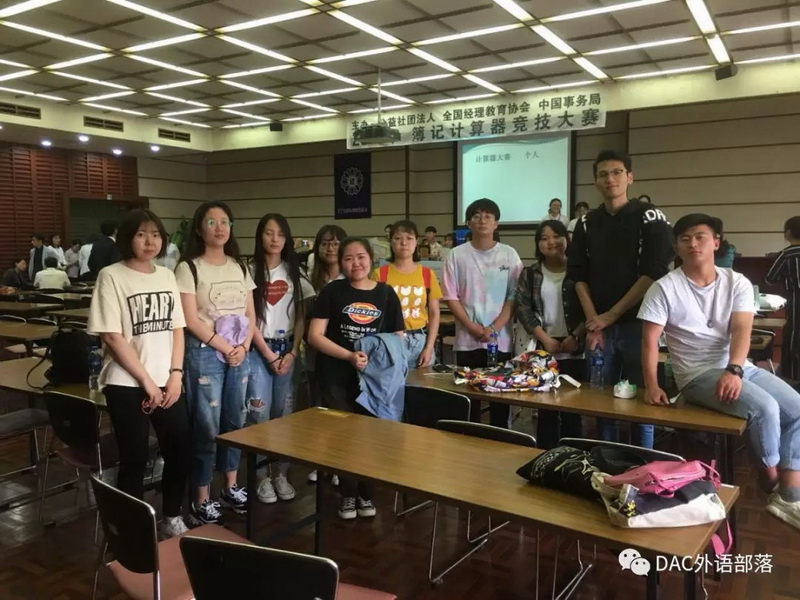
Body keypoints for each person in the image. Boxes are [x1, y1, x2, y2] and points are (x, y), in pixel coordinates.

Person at [639, 213, 800, 532]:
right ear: (677, 247)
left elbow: (742, 329)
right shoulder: (664, 288)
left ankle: (790, 492)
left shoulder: (736, 282)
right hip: (696, 376)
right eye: (685, 239)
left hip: (739, 367)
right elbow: (649, 341)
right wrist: (652, 385)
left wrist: (735, 369)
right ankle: (770, 486)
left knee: (797, 409)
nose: (693, 244)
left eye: (700, 236)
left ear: (716, 242)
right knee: (764, 409)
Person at [88, 208, 191, 539]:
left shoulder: (167, 276)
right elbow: (112, 336)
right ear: (127, 238)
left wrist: (175, 375)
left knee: (179, 450)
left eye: (156, 234)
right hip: (126, 382)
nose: (150, 241)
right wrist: (147, 382)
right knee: (135, 457)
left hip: (168, 382)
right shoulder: (111, 276)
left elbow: (177, 329)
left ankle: (171, 516)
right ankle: (132, 531)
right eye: (141, 234)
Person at [567, 149, 673, 448]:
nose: (610, 179)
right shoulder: (585, 223)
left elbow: (653, 271)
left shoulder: (650, 216)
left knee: (643, 399)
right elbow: (577, 275)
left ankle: (644, 461)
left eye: (616, 172)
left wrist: (610, 315)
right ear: (596, 181)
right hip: (600, 328)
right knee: (603, 401)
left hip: (641, 325)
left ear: (630, 177)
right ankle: (607, 458)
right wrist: (594, 323)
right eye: (603, 174)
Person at [308, 237, 404, 520]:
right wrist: (349, 356)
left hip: (374, 381)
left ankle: (367, 493)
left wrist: (377, 360)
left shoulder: (386, 294)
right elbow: (315, 336)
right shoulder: (332, 291)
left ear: (371, 259)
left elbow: (397, 337)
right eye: (348, 258)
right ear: (341, 262)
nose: (355, 263)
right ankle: (348, 494)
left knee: (370, 435)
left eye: (360, 257)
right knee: (342, 436)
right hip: (335, 375)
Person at [175, 201, 256, 526]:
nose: (219, 228)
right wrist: (226, 346)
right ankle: (201, 498)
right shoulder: (188, 268)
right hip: (205, 353)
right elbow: (190, 319)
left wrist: (244, 346)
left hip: (239, 352)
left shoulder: (240, 266)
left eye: (225, 222)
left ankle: (230, 486)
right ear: (199, 229)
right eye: (211, 222)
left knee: (236, 421)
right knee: (206, 427)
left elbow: (250, 313)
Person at [247, 213, 315, 505]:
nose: (275, 239)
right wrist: (268, 354)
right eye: (269, 233)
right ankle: (261, 476)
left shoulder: (295, 273)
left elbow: (300, 317)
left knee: (284, 416)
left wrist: (292, 351)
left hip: (287, 350)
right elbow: (247, 318)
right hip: (257, 350)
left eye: (280, 234)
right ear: (259, 236)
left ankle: (280, 473)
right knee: (258, 415)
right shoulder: (248, 271)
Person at [442, 198, 524, 428]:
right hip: (467, 340)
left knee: (500, 400)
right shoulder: (456, 255)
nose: (482, 220)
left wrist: (494, 328)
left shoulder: (509, 255)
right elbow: (450, 296)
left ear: (496, 223)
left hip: (501, 339)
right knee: (469, 401)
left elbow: (514, 296)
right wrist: (472, 327)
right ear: (468, 222)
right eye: (476, 216)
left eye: (488, 216)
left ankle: (500, 439)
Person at [515, 219, 585, 449]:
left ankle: (574, 458)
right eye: (544, 238)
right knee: (546, 410)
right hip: (543, 349)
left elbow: (592, 307)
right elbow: (523, 309)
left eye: (556, 236)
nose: (551, 242)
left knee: (573, 410)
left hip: (575, 348)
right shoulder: (530, 273)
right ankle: (545, 456)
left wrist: (576, 337)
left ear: (567, 239)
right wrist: (545, 339)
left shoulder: (580, 271)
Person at [305, 224, 347, 485]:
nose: (330, 248)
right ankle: (320, 461)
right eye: (325, 243)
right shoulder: (309, 278)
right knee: (318, 407)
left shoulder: (350, 276)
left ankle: (340, 463)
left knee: (341, 409)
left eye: (336, 243)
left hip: (343, 353)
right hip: (315, 352)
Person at [372, 220, 442, 368]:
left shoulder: (427, 274)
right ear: (391, 242)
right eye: (398, 238)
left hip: (420, 340)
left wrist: (429, 347)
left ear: (416, 242)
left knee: (422, 382)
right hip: (391, 341)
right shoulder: (379, 274)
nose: (404, 243)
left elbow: (434, 313)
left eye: (409, 238)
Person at [766, 216, 800, 380]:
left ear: (788, 233)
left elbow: (770, 278)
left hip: (796, 300)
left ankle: (793, 375)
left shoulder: (786, 254)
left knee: (794, 336)